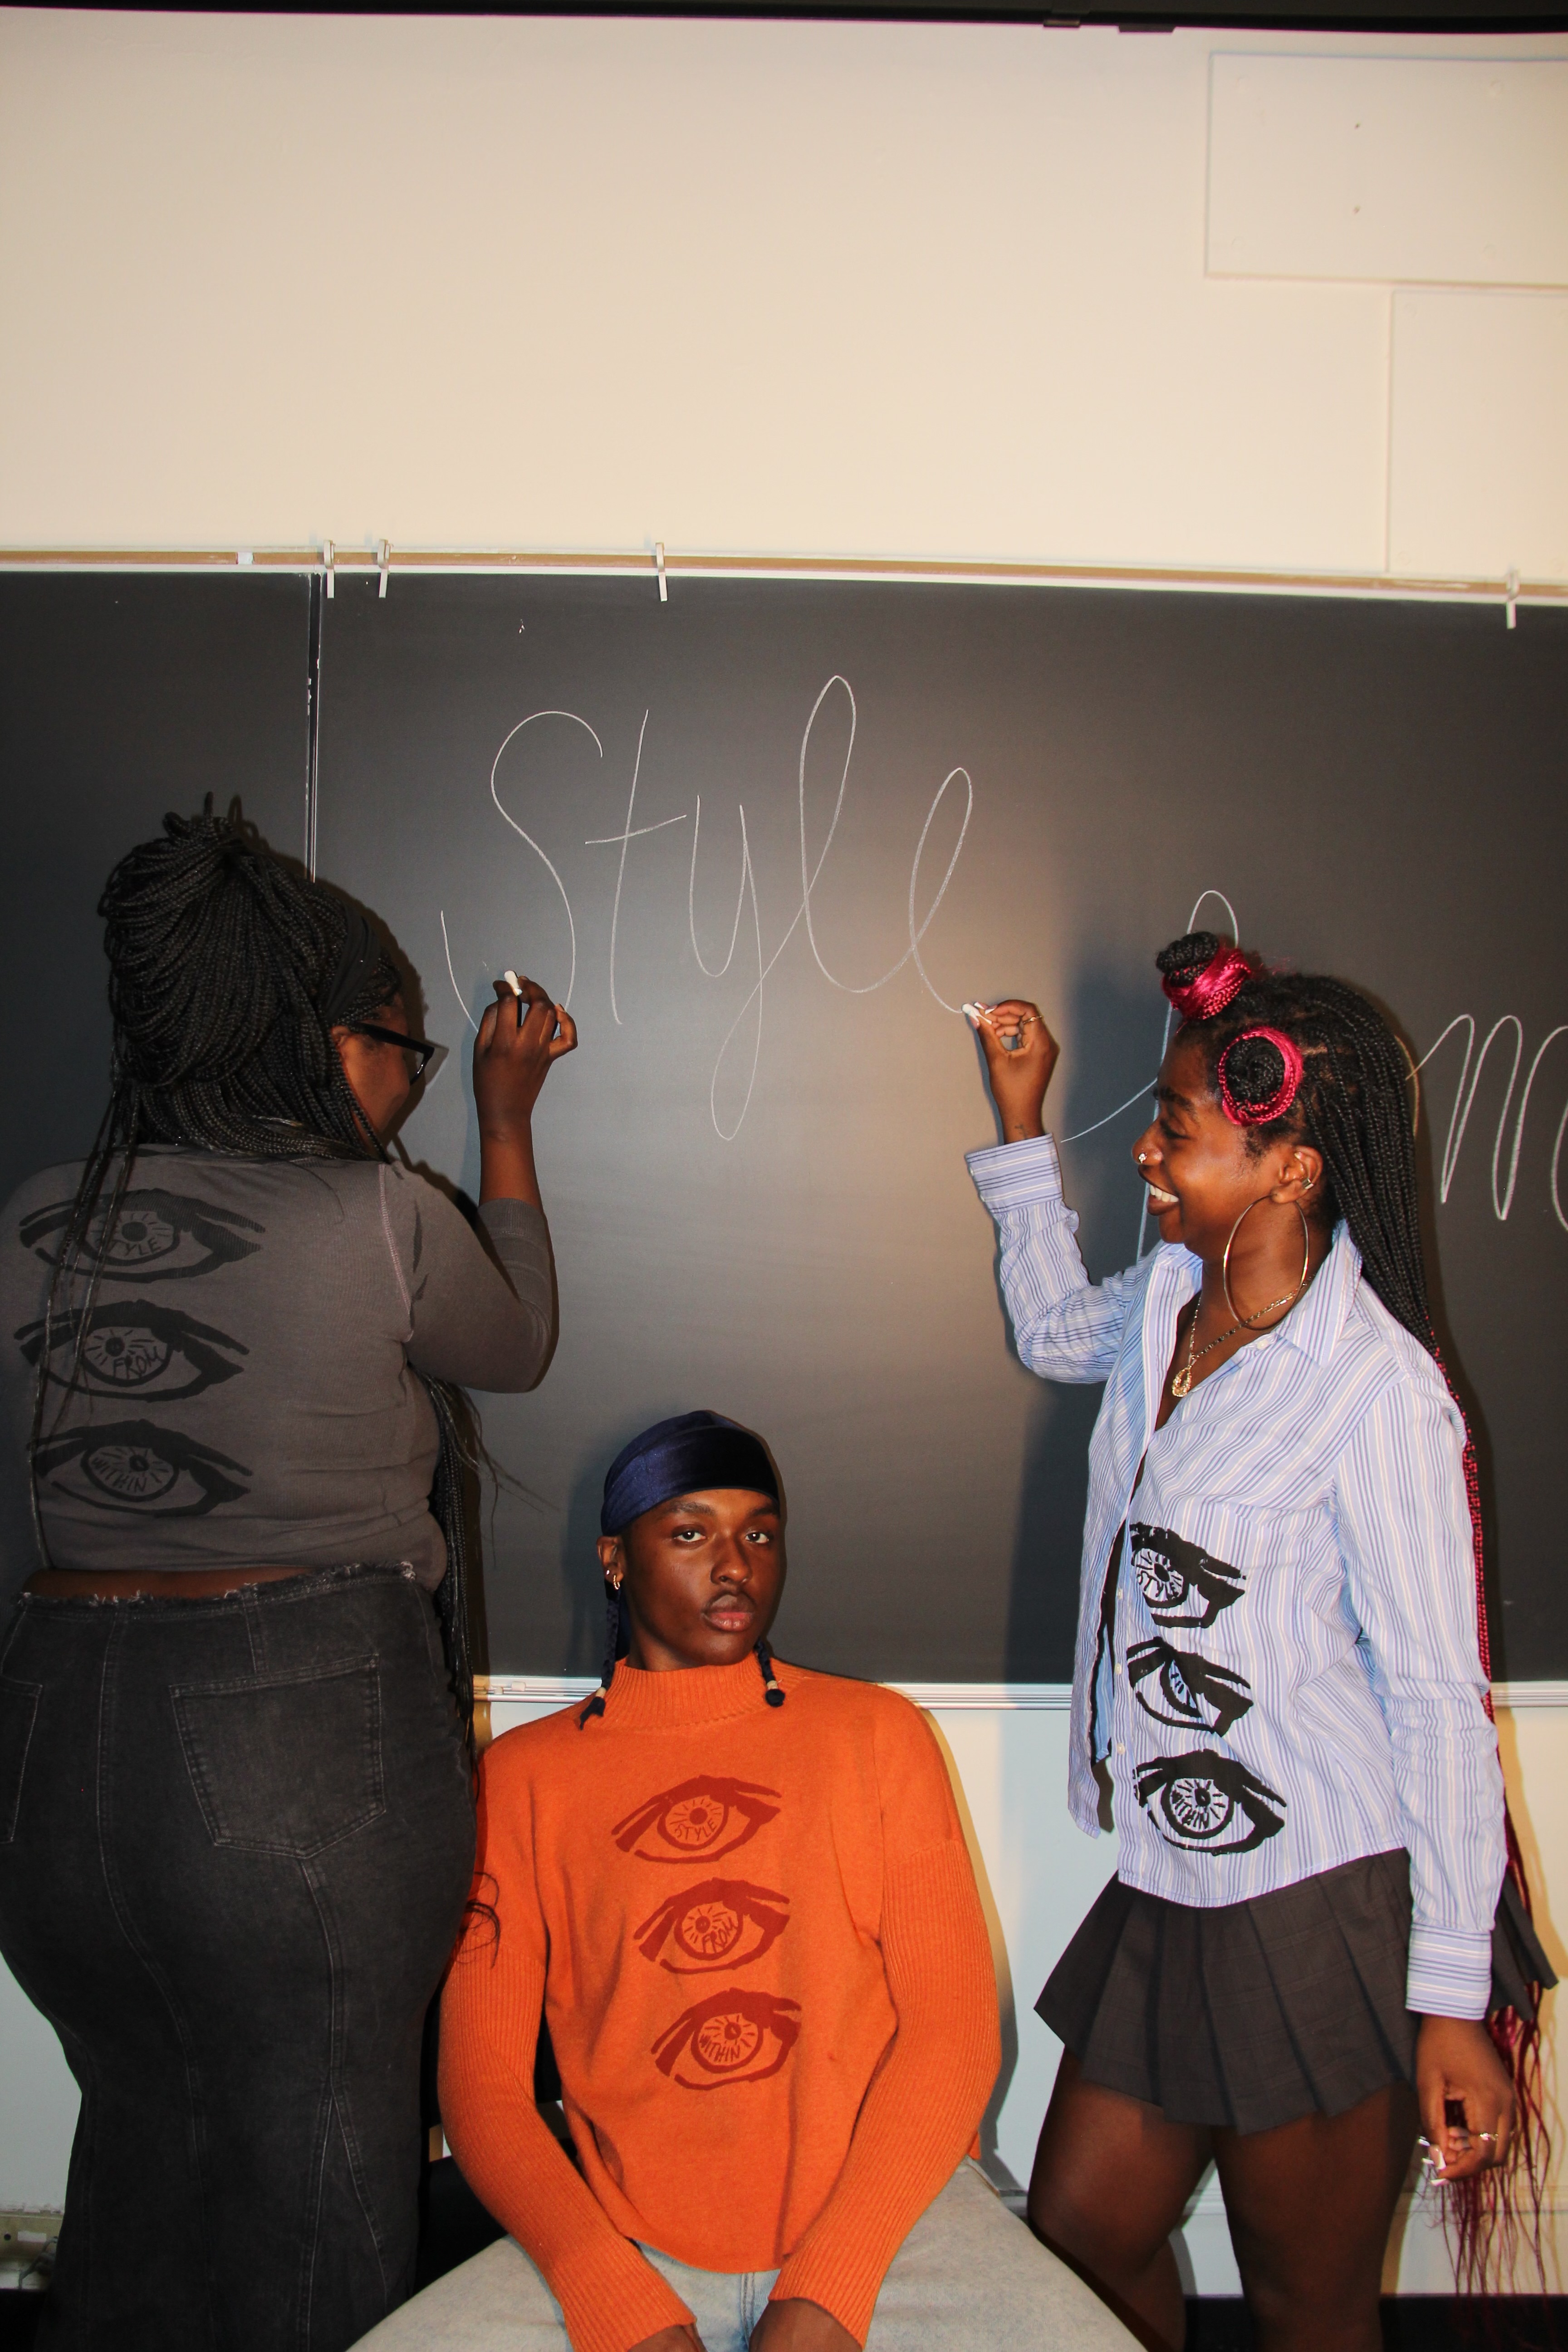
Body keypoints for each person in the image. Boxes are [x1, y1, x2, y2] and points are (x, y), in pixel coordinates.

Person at [0, 801, 577, 2352]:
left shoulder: (39, 1217)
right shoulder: (377, 1220)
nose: (407, 1084)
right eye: (407, 1052)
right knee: (320, 2197)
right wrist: (506, 1119)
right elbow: (518, 1341)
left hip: (54, 1759)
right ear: (326, 1045)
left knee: (136, 2155)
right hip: (294, 1743)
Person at [961, 934, 1552, 2352]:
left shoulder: (1376, 1394)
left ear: (1292, 1169)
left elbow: (1436, 1701)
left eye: (1177, 1131)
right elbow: (1052, 1333)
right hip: (1171, 1882)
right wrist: (1021, 1129)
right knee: (1083, 2236)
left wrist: (1451, 2001)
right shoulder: (1172, 1298)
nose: (1148, 1156)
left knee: (1308, 2309)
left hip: (1316, 1905)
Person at [355, 1410, 1137, 2352]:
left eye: (760, 1536)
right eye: (692, 1534)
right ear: (615, 1560)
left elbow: (952, 2041)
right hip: (626, 2244)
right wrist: (614, 2298)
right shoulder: (522, 1780)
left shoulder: (877, 1736)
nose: (736, 1567)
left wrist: (828, 2291)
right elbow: (483, 2093)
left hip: (895, 2235)